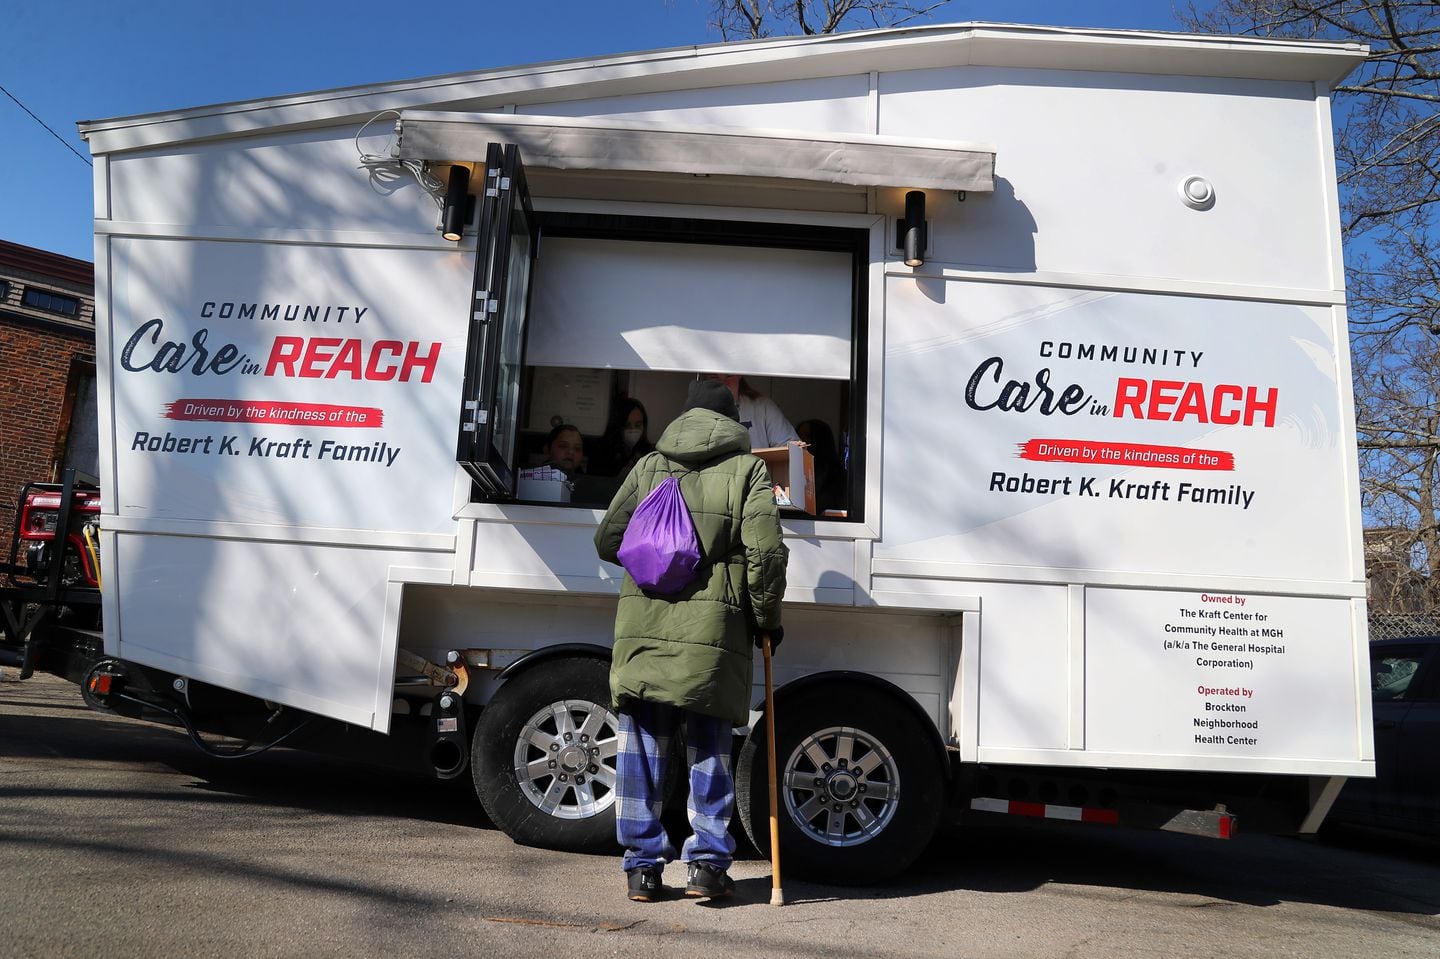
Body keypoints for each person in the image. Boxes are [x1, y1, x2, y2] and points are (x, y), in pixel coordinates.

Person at [594, 378, 788, 903]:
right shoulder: (749, 471)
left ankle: (642, 869)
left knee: (643, 744)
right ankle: (706, 865)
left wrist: (657, 559)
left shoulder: (650, 466)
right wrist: (767, 620)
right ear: (733, 422)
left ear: (684, 417)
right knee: (710, 748)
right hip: (714, 634)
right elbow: (765, 558)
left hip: (645, 627)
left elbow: (607, 538)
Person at [703, 373, 798, 450]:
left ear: (739, 375)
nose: (723, 383)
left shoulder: (762, 407)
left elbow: (789, 447)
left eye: (729, 376)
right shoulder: (696, 413)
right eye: (714, 377)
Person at [594, 398, 655, 477]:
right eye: (627, 425)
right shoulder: (601, 453)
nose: (633, 430)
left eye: (638, 425)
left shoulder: (650, 454)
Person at [796, 418, 846, 514]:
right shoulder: (796, 470)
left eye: (807, 435)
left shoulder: (835, 476)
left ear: (820, 441)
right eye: (798, 435)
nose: (800, 440)